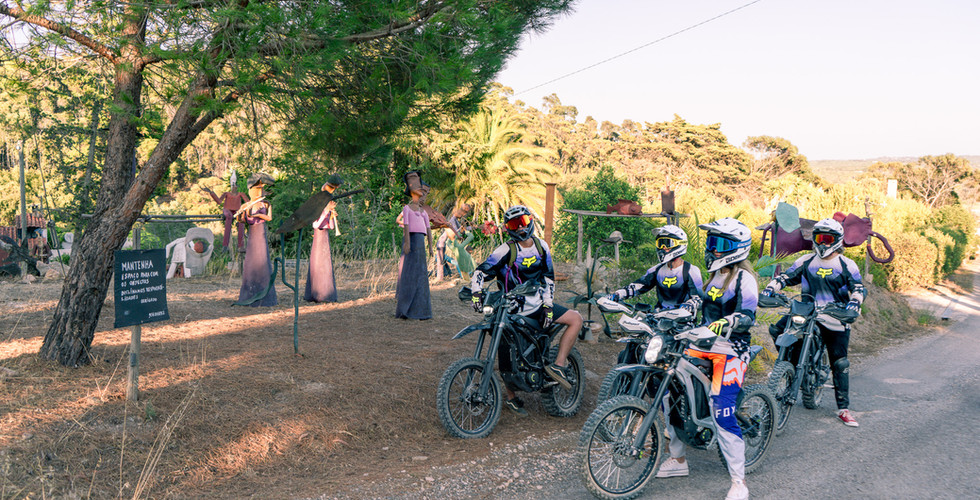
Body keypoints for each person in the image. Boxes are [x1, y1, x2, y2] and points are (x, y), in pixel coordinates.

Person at [655, 217, 756, 500]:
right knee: (670, 389)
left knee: (721, 411)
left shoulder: (744, 279)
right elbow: (700, 302)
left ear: (737, 247)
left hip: (732, 349)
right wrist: (679, 314)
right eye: (711, 242)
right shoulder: (715, 275)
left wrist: (728, 322)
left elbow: (748, 315)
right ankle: (678, 459)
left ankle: (739, 481)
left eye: (719, 243)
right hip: (701, 341)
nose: (713, 248)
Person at [469, 205, 583, 416]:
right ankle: (512, 397)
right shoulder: (505, 250)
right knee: (506, 348)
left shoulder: (542, 247)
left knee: (576, 318)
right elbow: (480, 272)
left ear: (531, 220)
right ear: (507, 228)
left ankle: (558, 365)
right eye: (515, 224)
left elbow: (548, 278)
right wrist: (476, 292)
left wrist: (549, 305)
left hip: (538, 306)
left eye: (523, 221)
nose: (521, 228)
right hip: (510, 310)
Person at [761, 217, 867, 427]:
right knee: (778, 329)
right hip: (807, 312)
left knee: (840, 362)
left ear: (837, 240)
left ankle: (843, 408)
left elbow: (858, 288)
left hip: (836, 316)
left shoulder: (847, 264)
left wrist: (854, 304)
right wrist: (769, 289)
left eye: (828, 239)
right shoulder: (806, 261)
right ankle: (790, 369)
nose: (823, 243)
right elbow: (785, 277)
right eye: (819, 238)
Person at [605, 225, 703, 363]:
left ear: (679, 245)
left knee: (677, 360)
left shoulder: (691, 271)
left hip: (682, 324)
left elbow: (699, 298)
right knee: (635, 344)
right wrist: (617, 294)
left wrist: (689, 305)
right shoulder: (657, 270)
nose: (663, 248)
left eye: (667, 244)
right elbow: (638, 286)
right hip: (659, 319)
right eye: (660, 243)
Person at [394, 171, 433, 320]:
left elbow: (428, 229)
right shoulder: (407, 209)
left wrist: (430, 247)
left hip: (420, 243)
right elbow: (406, 226)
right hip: (412, 242)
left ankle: (422, 310)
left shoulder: (423, 211)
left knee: (421, 275)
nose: (421, 190)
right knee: (410, 274)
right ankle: (407, 309)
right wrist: (407, 244)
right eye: (416, 186)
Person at [236, 172, 277, 307]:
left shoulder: (265, 203)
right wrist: (242, 213)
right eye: (255, 190)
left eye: (260, 190)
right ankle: (250, 294)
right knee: (252, 263)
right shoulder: (247, 204)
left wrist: (259, 214)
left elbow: (269, 218)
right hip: (253, 235)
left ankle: (265, 295)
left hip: (261, 233)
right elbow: (242, 220)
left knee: (263, 260)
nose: (258, 193)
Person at [304, 175, 343, 303]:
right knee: (318, 265)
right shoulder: (317, 204)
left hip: (324, 237)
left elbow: (329, 226)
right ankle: (317, 293)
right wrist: (327, 211)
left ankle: (326, 293)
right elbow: (316, 224)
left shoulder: (326, 204)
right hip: (319, 237)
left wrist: (331, 215)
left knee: (325, 265)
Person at [203, 172, 249, 252]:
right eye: (233, 184)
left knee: (241, 221)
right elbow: (219, 201)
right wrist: (211, 193)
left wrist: (244, 210)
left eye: (235, 185)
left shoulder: (241, 194)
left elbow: (248, 203)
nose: (234, 186)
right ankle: (225, 246)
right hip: (227, 210)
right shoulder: (226, 194)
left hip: (237, 211)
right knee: (228, 216)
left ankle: (241, 246)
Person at [435, 204, 472, 280]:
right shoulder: (452, 220)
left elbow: (460, 231)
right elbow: (457, 231)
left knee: (444, 261)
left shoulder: (455, 220)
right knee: (451, 262)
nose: (463, 214)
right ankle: (442, 277)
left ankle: (445, 275)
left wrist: (472, 227)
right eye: (463, 212)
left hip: (443, 244)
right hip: (441, 244)